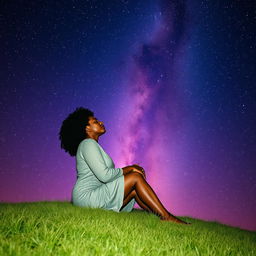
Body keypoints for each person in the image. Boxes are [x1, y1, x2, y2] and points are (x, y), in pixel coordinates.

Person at [59, 107, 191, 225]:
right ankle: (167, 217)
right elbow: (105, 175)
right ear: (86, 128)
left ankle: (159, 215)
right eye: (95, 121)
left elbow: (108, 176)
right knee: (135, 178)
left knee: (134, 188)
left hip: (95, 192)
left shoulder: (93, 146)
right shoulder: (88, 144)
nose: (101, 122)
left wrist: (130, 171)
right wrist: (130, 169)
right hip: (86, 197)